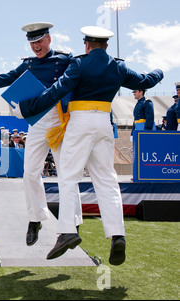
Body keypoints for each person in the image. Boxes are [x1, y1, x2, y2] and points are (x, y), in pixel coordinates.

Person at [16, 26, 163, 265]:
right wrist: (159, 72)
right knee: (107, 180)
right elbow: (146, 80)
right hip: (105, 123)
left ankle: (66, 231)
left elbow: (56, 92)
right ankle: (117, 235)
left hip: (80, 123)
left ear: (86, 45)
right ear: (105, 45)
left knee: (68, 176)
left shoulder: (79, 64)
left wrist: (27, 108)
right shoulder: (118, 66)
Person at [0, 22, 82, 246]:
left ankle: (73, 222)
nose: (36, 46)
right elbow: (4, 79)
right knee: (30, 173)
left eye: (39, 41)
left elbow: (79, 81)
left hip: (60, 121)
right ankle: (35, 219)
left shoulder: (65, 59)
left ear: (49, 39)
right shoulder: (29, 64)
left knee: (67, 173)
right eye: (32, 43)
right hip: (36, 121)